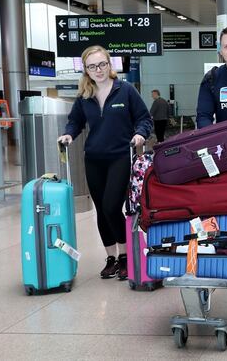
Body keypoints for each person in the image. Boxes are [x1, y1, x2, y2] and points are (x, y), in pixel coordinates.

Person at [57, 45, 152, 280]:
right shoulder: (84, 96)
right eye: (92, 66)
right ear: (86, 70)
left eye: (102, 64)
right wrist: (69, 134)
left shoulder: (125, 90)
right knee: (101, 210)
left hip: (120, 156)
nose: (98, 70)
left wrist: (140, 133)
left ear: (110, 65)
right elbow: (75, 122)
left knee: (111, 206)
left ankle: (125, 256)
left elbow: (144, 118)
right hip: (94, 159)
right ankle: (111, 257)